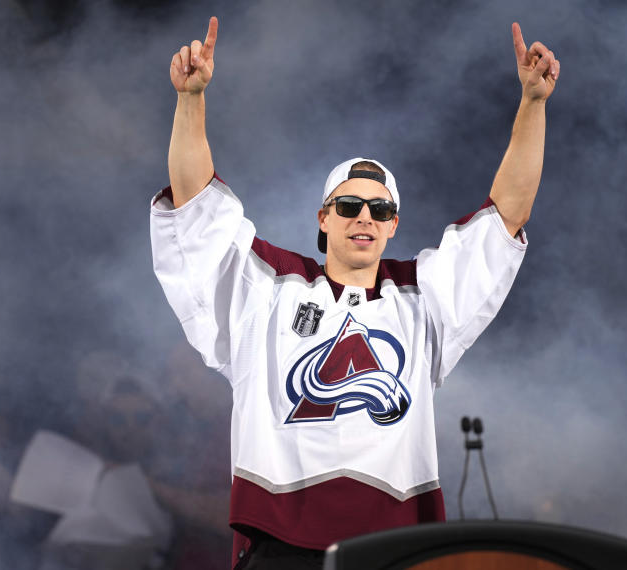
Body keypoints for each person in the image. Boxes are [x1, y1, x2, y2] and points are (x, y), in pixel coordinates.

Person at [150, 16, 559, 570]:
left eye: (380, 209)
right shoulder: (267, 289)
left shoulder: (424, 299)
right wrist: (191, 100)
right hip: (281, 546)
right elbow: (196, 206)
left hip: (394, 551)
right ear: (324, 218)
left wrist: (532, 104)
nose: (364, 217)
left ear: (393, 225)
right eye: (348, 206)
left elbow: (508, 213)